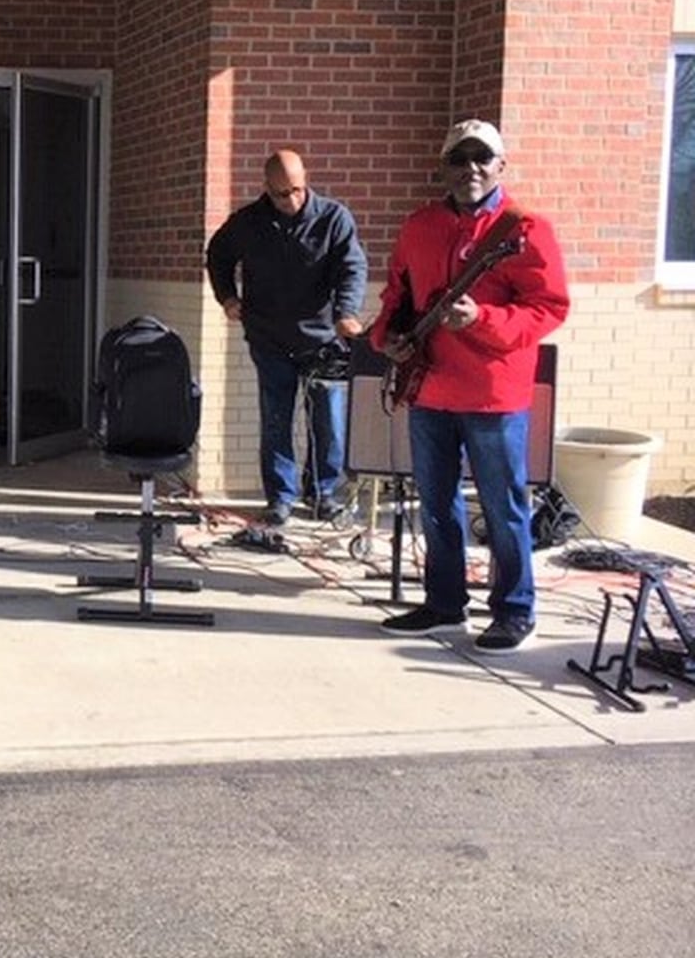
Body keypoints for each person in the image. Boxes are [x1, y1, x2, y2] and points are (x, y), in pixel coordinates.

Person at [372, 118, 570, 653]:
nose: (471, 169)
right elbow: (399, 294)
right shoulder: (419, 225)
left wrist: (481, 318)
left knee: (502, 508)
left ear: (501, 165)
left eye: (482, 158)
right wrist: (385, 336)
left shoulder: (524, 229)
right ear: (445, 168)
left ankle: (513, 609)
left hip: (492, 395)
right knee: (434, 505)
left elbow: (548, 308)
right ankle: (443, 603)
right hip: (430, 388)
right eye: (459, 160)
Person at [207, 148, 368, 526]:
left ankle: (324, 493)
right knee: (276, 419)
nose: (292, 200)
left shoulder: (333, 218)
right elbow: (218, 254)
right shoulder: (247, 222)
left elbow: (352, 267)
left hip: (323, 338)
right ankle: (280, 496)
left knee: (327, 419)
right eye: (282, 194)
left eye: (297, 189)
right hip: (268, 337)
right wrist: (228, 297)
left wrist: (346, 313)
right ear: (266, 188)